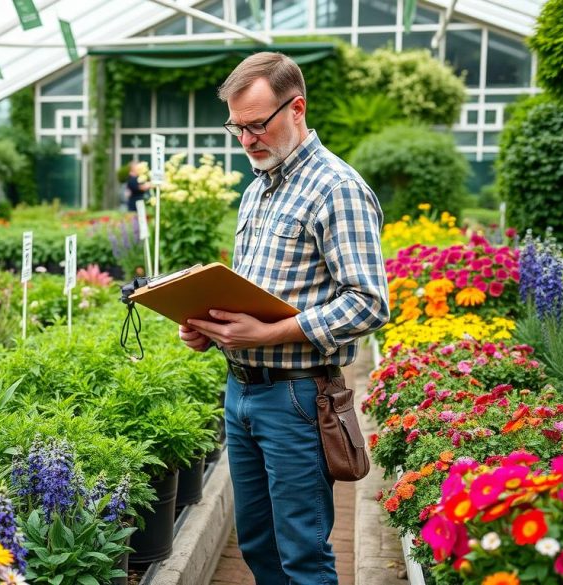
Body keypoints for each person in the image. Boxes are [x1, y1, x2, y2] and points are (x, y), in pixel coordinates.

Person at [178, 52, 389, 584]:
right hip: (241, 391)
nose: (246, 140)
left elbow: (368, 301)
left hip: (296, 397)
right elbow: (257, 292)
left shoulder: (336, 188)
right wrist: (209, 325)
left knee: (302, 552)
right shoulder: (256, 190)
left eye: (256, 125)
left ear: (296, 108)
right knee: (257, 544)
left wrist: (269, 333)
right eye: (237, 127)